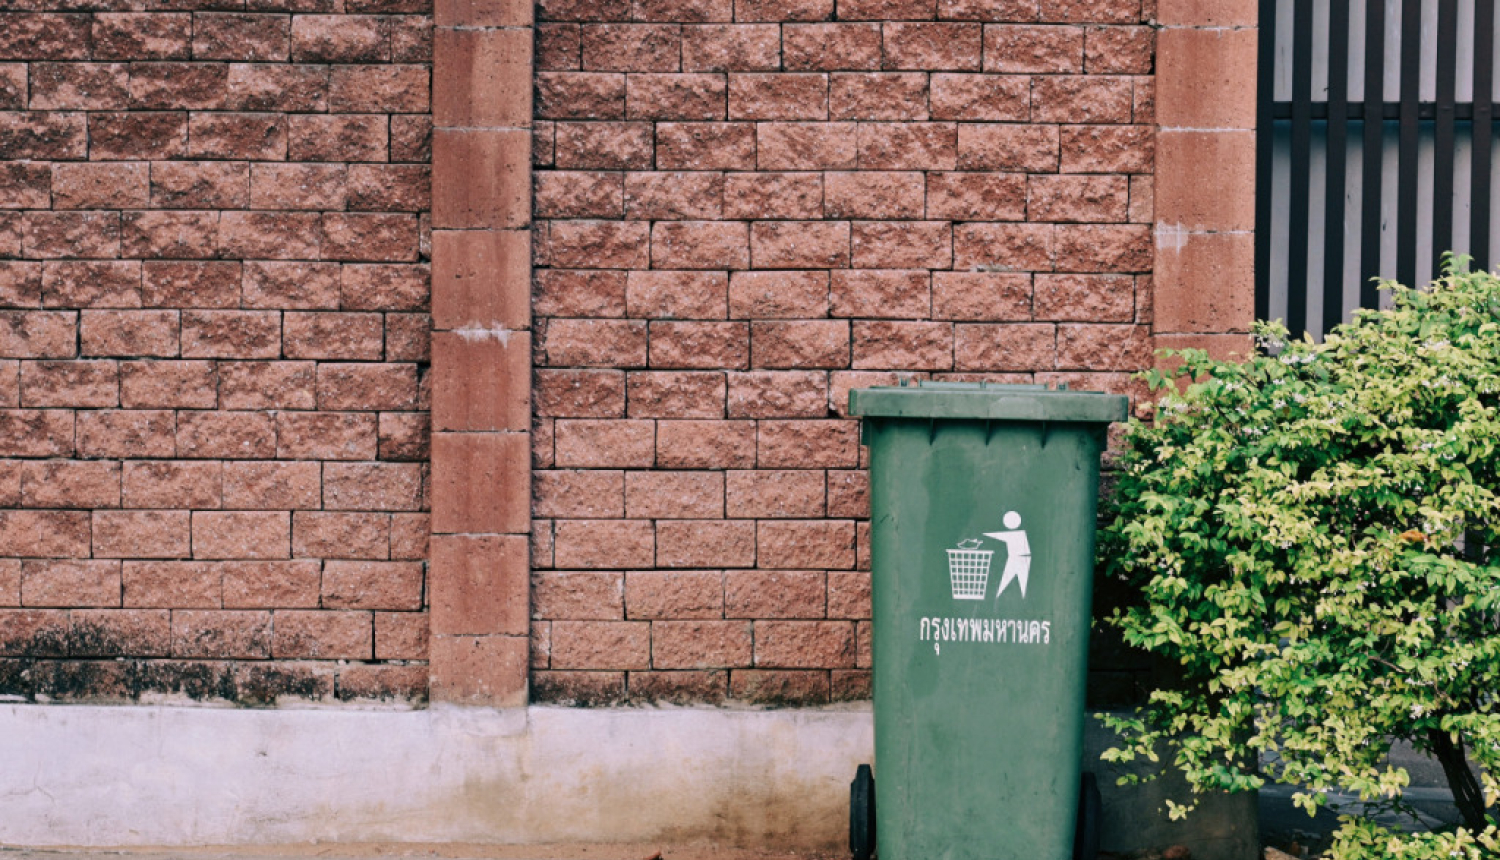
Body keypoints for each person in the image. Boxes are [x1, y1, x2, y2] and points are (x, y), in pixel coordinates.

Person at [983, 511, 1031, 600]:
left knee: (1017, 581)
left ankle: (1000, 596)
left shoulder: (1018, 534)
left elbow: (1000, 535)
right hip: (1018, 557)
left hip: (1020, 558)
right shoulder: (1018, 534)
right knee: (1007, 581)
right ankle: (999, 595)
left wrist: (986, 534)